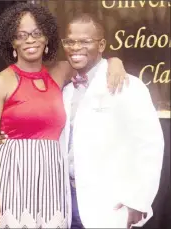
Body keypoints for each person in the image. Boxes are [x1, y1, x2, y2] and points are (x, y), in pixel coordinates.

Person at [0, 3, 127, 229]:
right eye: (21, 35)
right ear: (12, 42)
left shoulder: (59, 72)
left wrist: (116, 62)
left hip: (51, 184)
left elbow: (92, 61)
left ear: (47, 38)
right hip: (10, 180)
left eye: (37, 33)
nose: (30, 40)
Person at [59, 13, 164, 228]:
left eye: (85, 41)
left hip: (109, 206)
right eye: (70, 41)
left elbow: (149, 145)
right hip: (65, 203)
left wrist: (138, 200)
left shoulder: (128, 86)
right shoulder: (65, 90)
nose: (75, 46)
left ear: (101, 45)